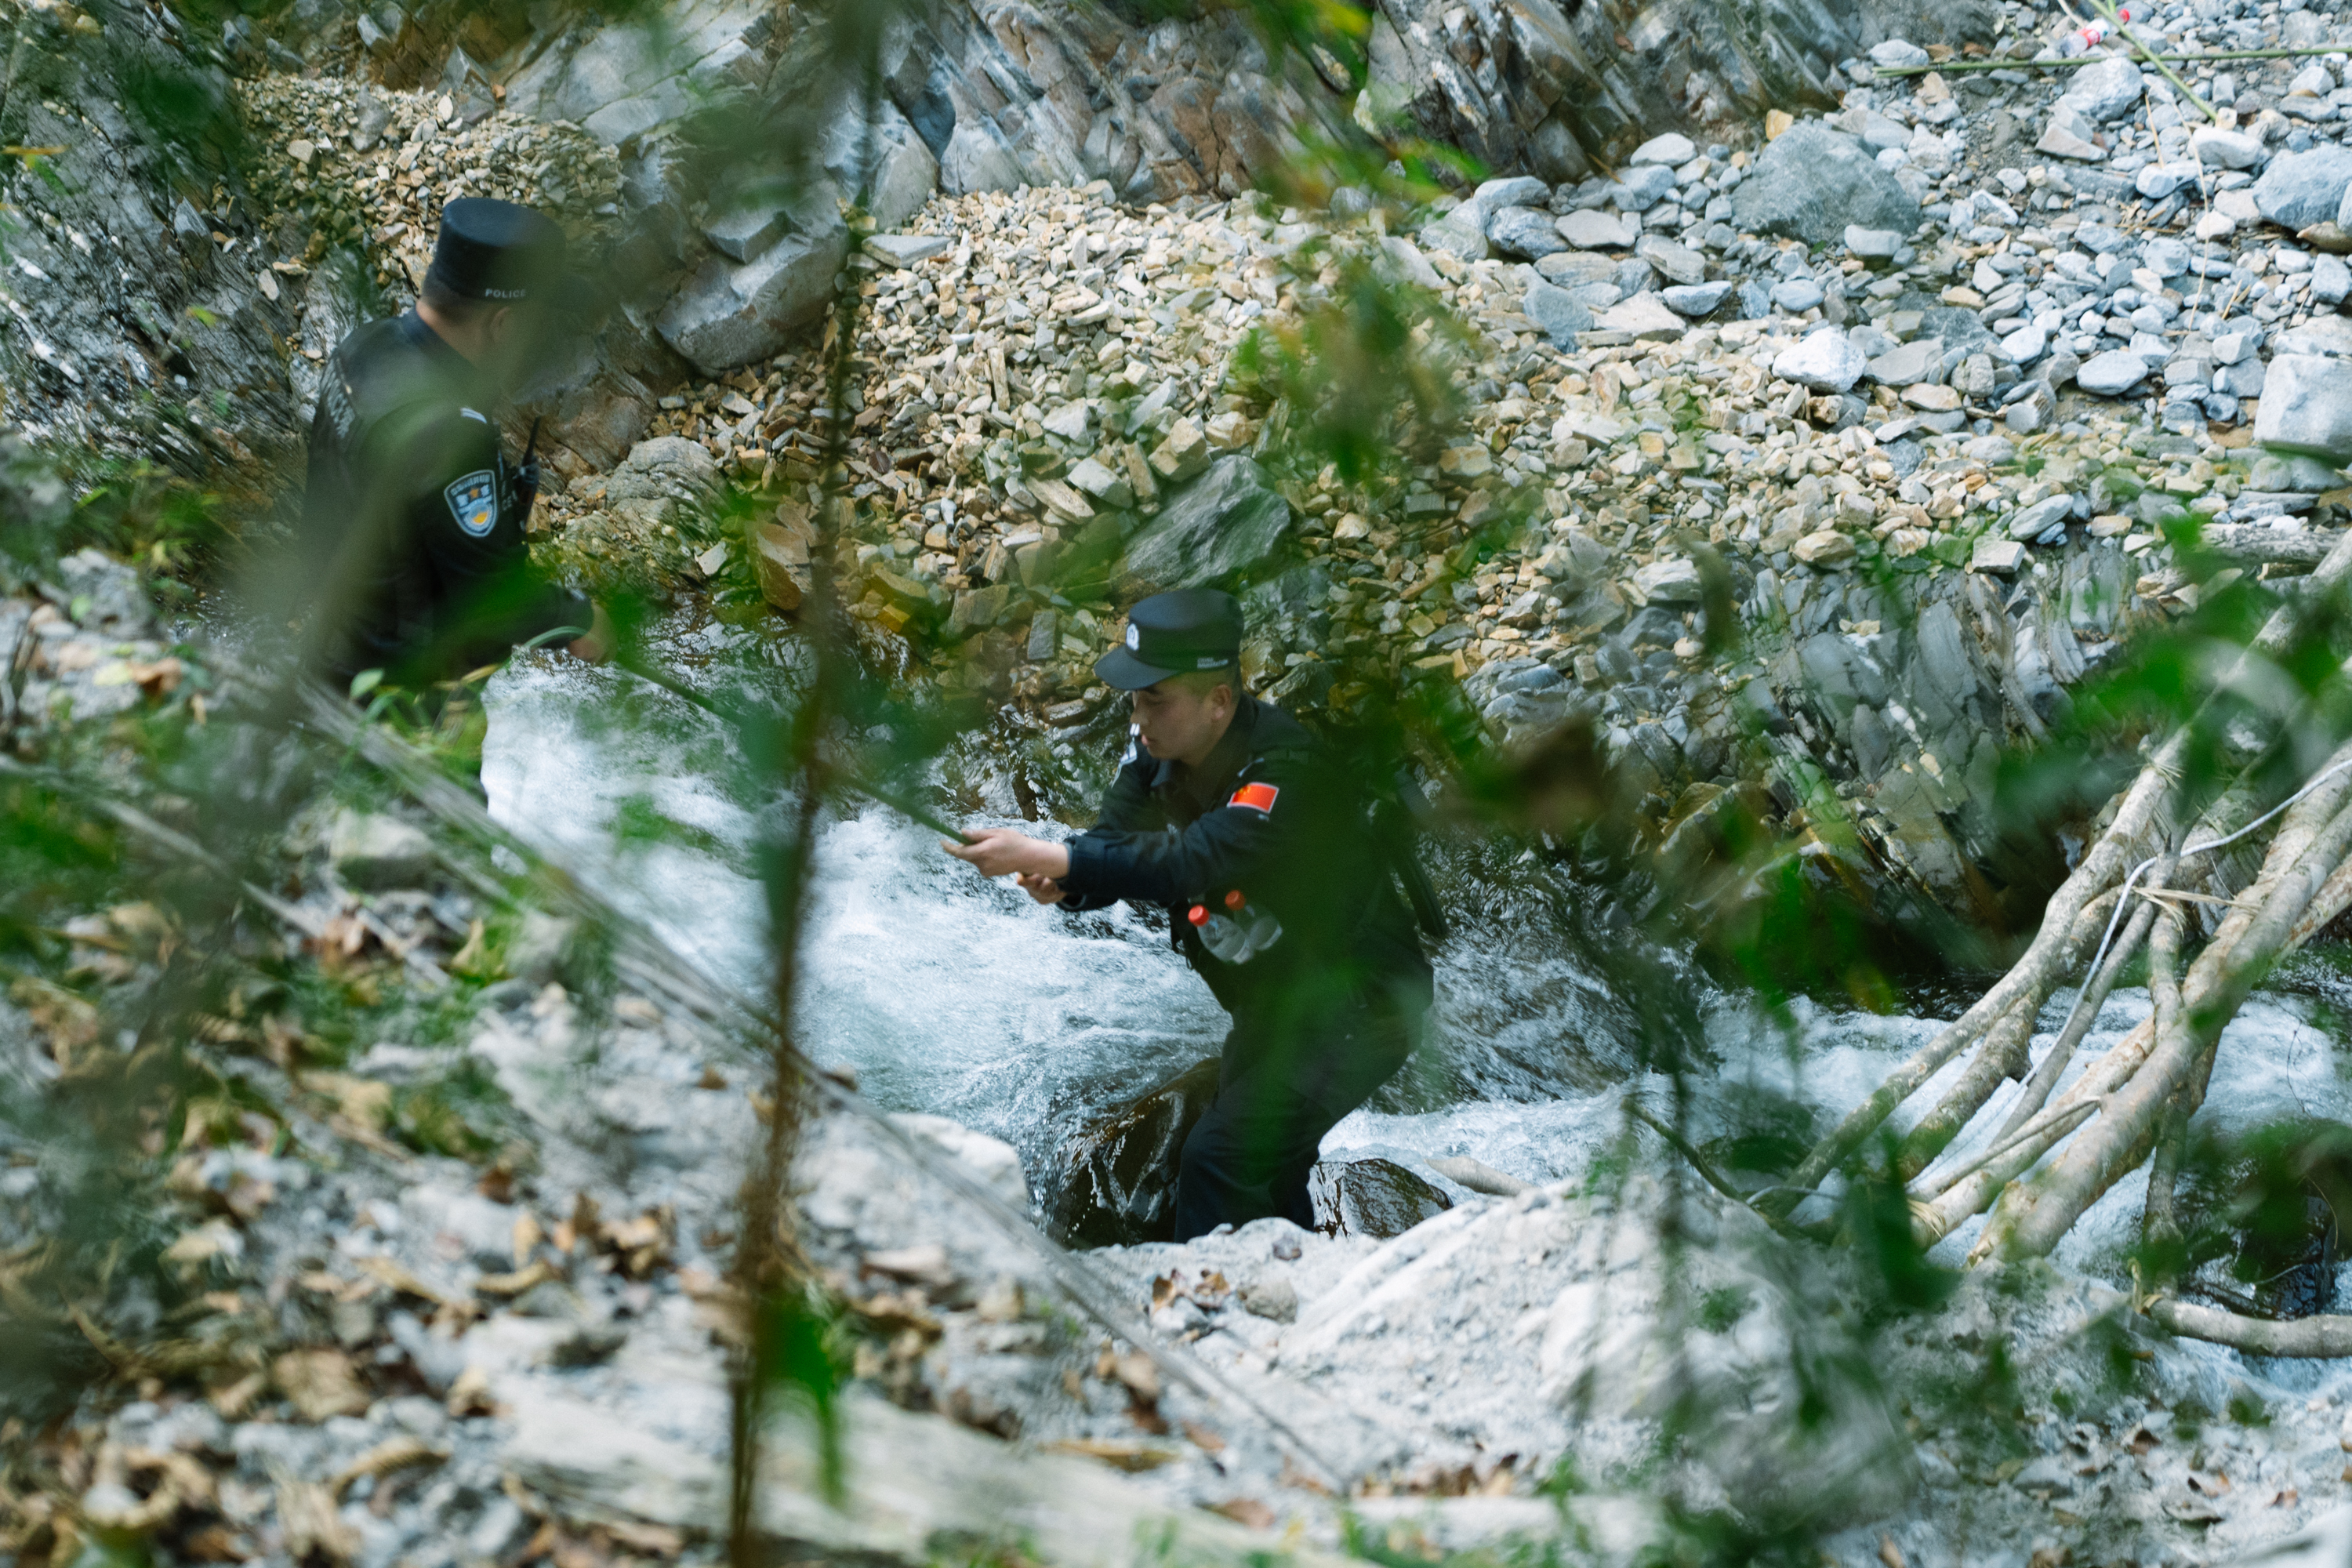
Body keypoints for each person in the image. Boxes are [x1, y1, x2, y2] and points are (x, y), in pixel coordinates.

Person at [945, 589, 1433, 1240]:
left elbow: (1192, 861)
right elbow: (1117, 838)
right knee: (1269, 1165)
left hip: (1362, 1006)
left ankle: (1208, 1298)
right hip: (1277, 1002)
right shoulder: (1157, 748)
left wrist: (1052, 854)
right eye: (1134, 699)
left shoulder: (1285, 776)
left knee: (1219, 1158)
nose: (1138, 718)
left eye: (1156, 699)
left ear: (1219, 702)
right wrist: (1068, 880)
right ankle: (1299, 1285)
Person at [297, 197, 612, 688]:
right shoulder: (449, 432)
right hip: (397, 697)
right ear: (505, 324)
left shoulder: (362, 347)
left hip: (329, 654)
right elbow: (488, 599)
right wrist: (577, 619)